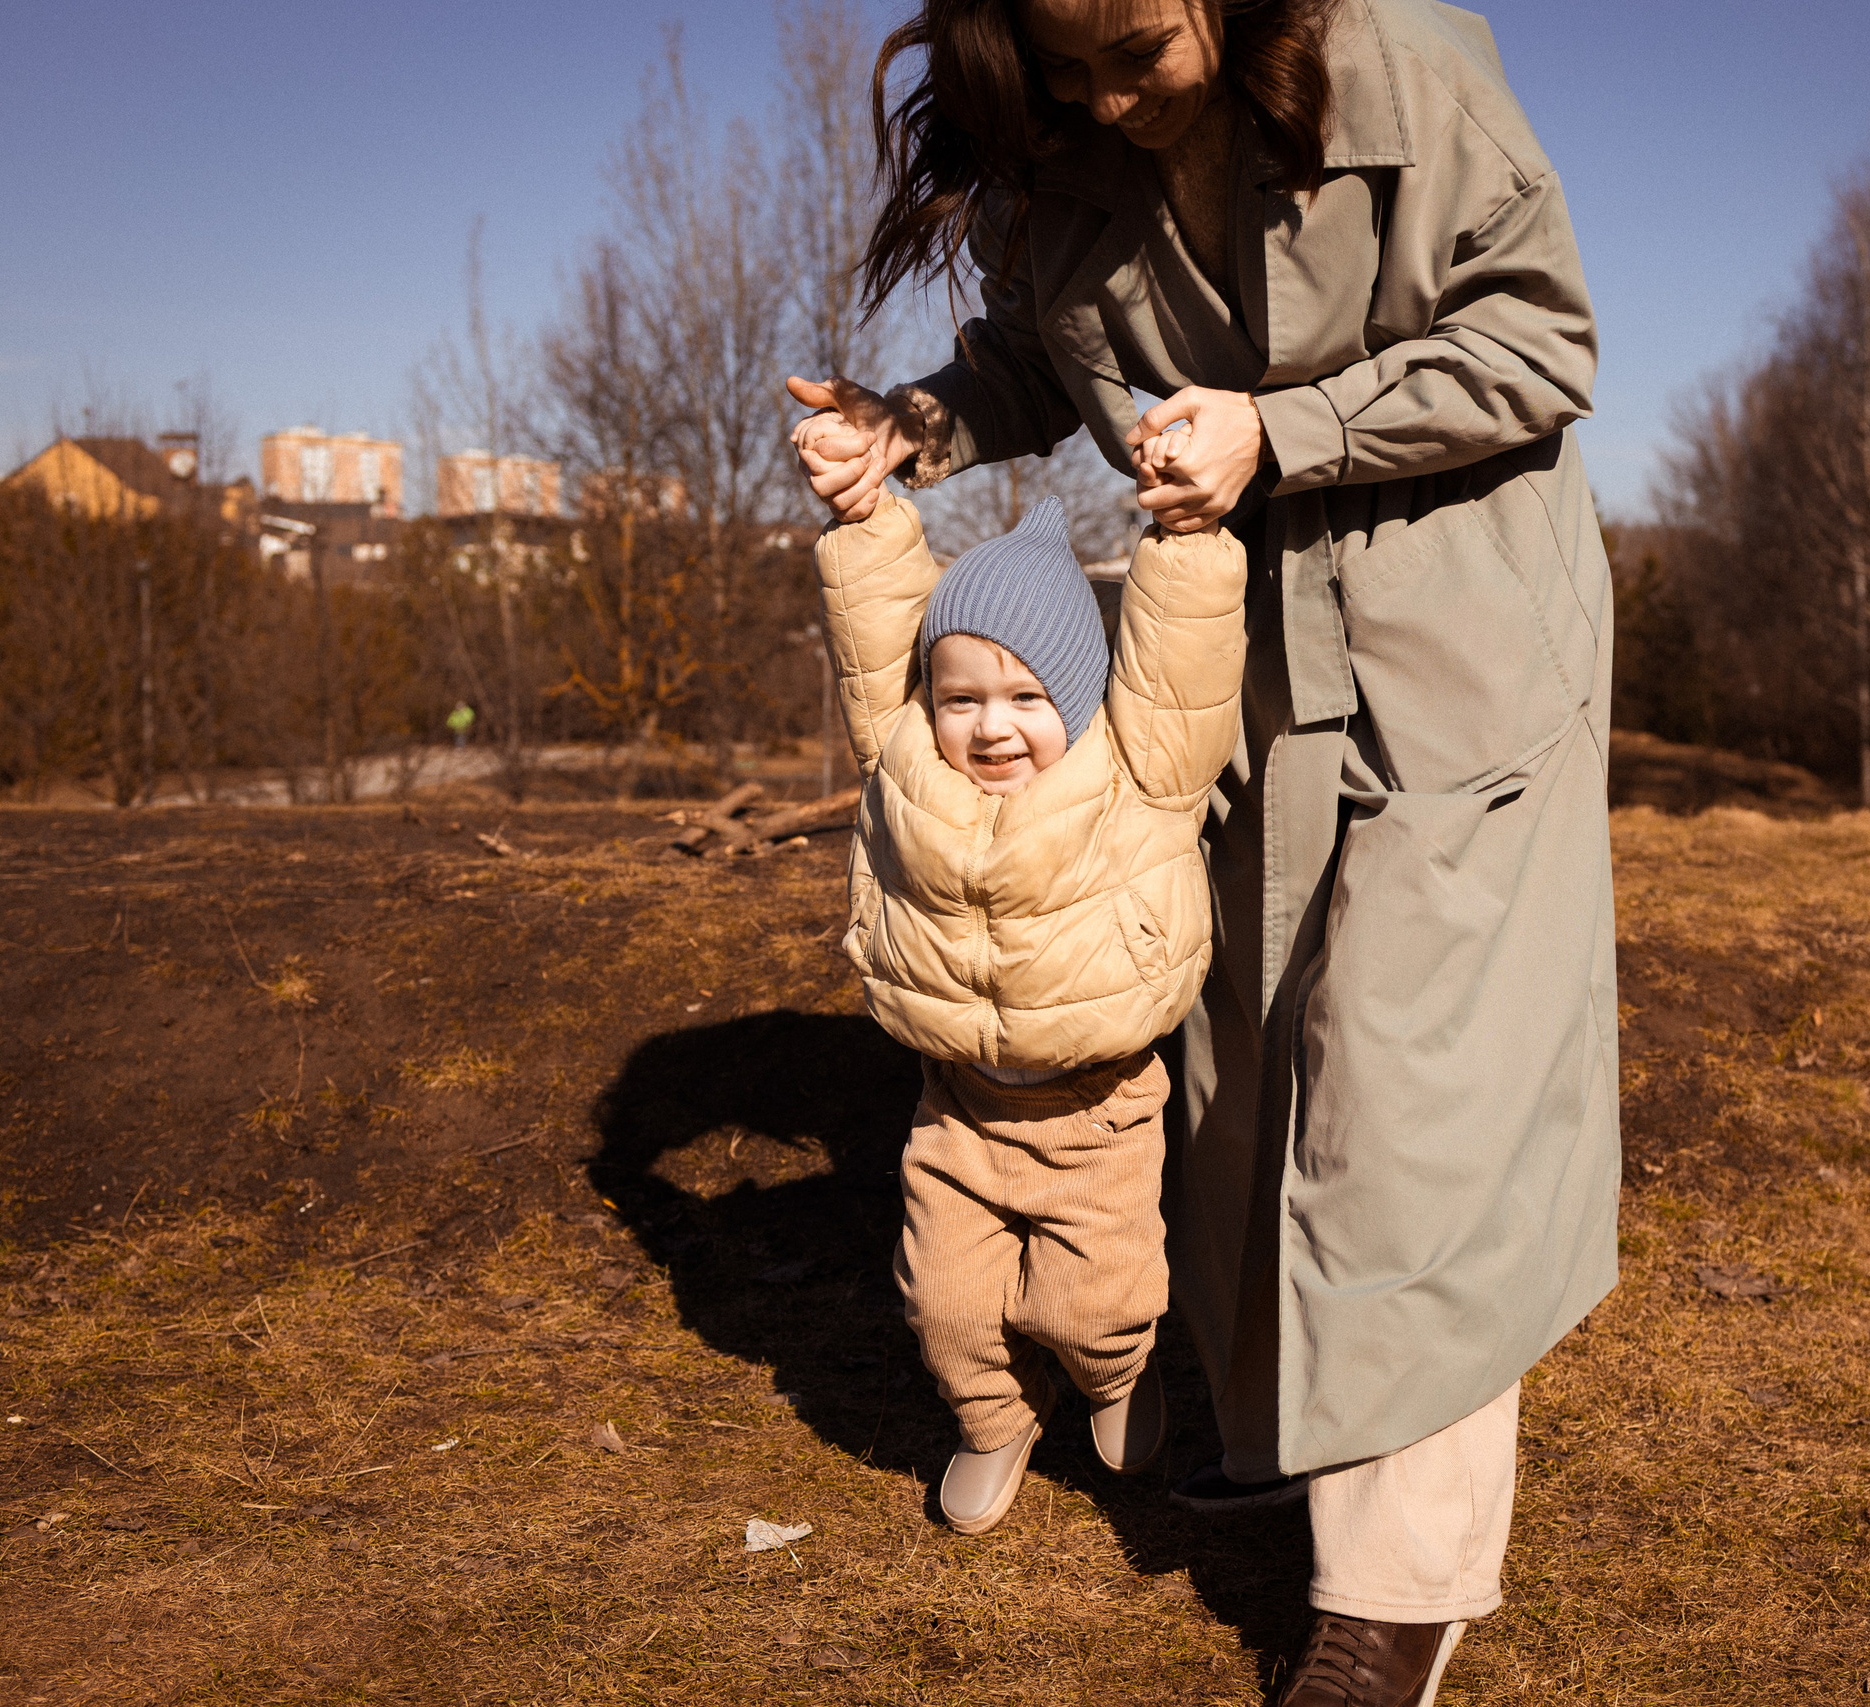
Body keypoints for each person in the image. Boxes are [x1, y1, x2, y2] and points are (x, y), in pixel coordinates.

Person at [789, 0, 1616, 1700]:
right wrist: (916, 423)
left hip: (1452, 644)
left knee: (1405, 1100)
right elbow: (1040, 359)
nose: (1103, 101)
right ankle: (1277, 1427)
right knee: (1232, 1067)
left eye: (1137, 54)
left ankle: (1396, 1587)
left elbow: (1538, 340)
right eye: (1060, 68)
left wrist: (1284, 429)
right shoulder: (1059, 147)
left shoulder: (1401, 65)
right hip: (1230, 662)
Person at [792, 411, 1248, 1537]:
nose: (991, 727)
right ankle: (994, 1418)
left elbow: (1181, 666)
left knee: (1094, 1301)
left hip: (1099, 1112)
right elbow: (875, 640)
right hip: (959, 1106)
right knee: (944, 1304)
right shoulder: (905, 764)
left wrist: (1188, 540)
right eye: (961, 699)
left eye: (1026, 698)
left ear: (1078, 702)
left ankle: (1114, 1370)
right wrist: (865, 519)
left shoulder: (1141, 777)